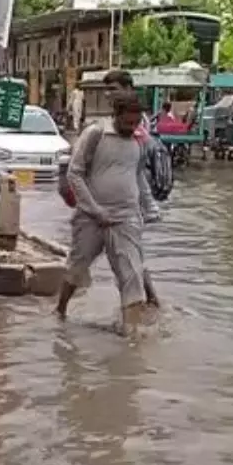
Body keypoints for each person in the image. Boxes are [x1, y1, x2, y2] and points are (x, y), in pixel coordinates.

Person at [55, 92, 155, 334]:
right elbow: (74, 174)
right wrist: (94, 209)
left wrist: (149, 205)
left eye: (136, 123)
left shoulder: (139, 142)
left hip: (126, 216)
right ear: (115, 116)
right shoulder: (95, 134)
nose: (132, 128)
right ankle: (60, 310)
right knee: (78, 266)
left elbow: (139, 176)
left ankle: (132, 332)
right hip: (91, 217)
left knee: (131, 272)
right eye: (127, 123)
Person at [99, 69, 162, 307]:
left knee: (127, 255)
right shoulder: (120, 119)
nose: (108, 95)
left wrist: (148, 205)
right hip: (122, 199)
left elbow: (137, 169)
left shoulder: (135, 123)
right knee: (131, 254)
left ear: (127, 89)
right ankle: (149, 302)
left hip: (129, 200)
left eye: (113, 89)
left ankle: (138, 308)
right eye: (107, 90)